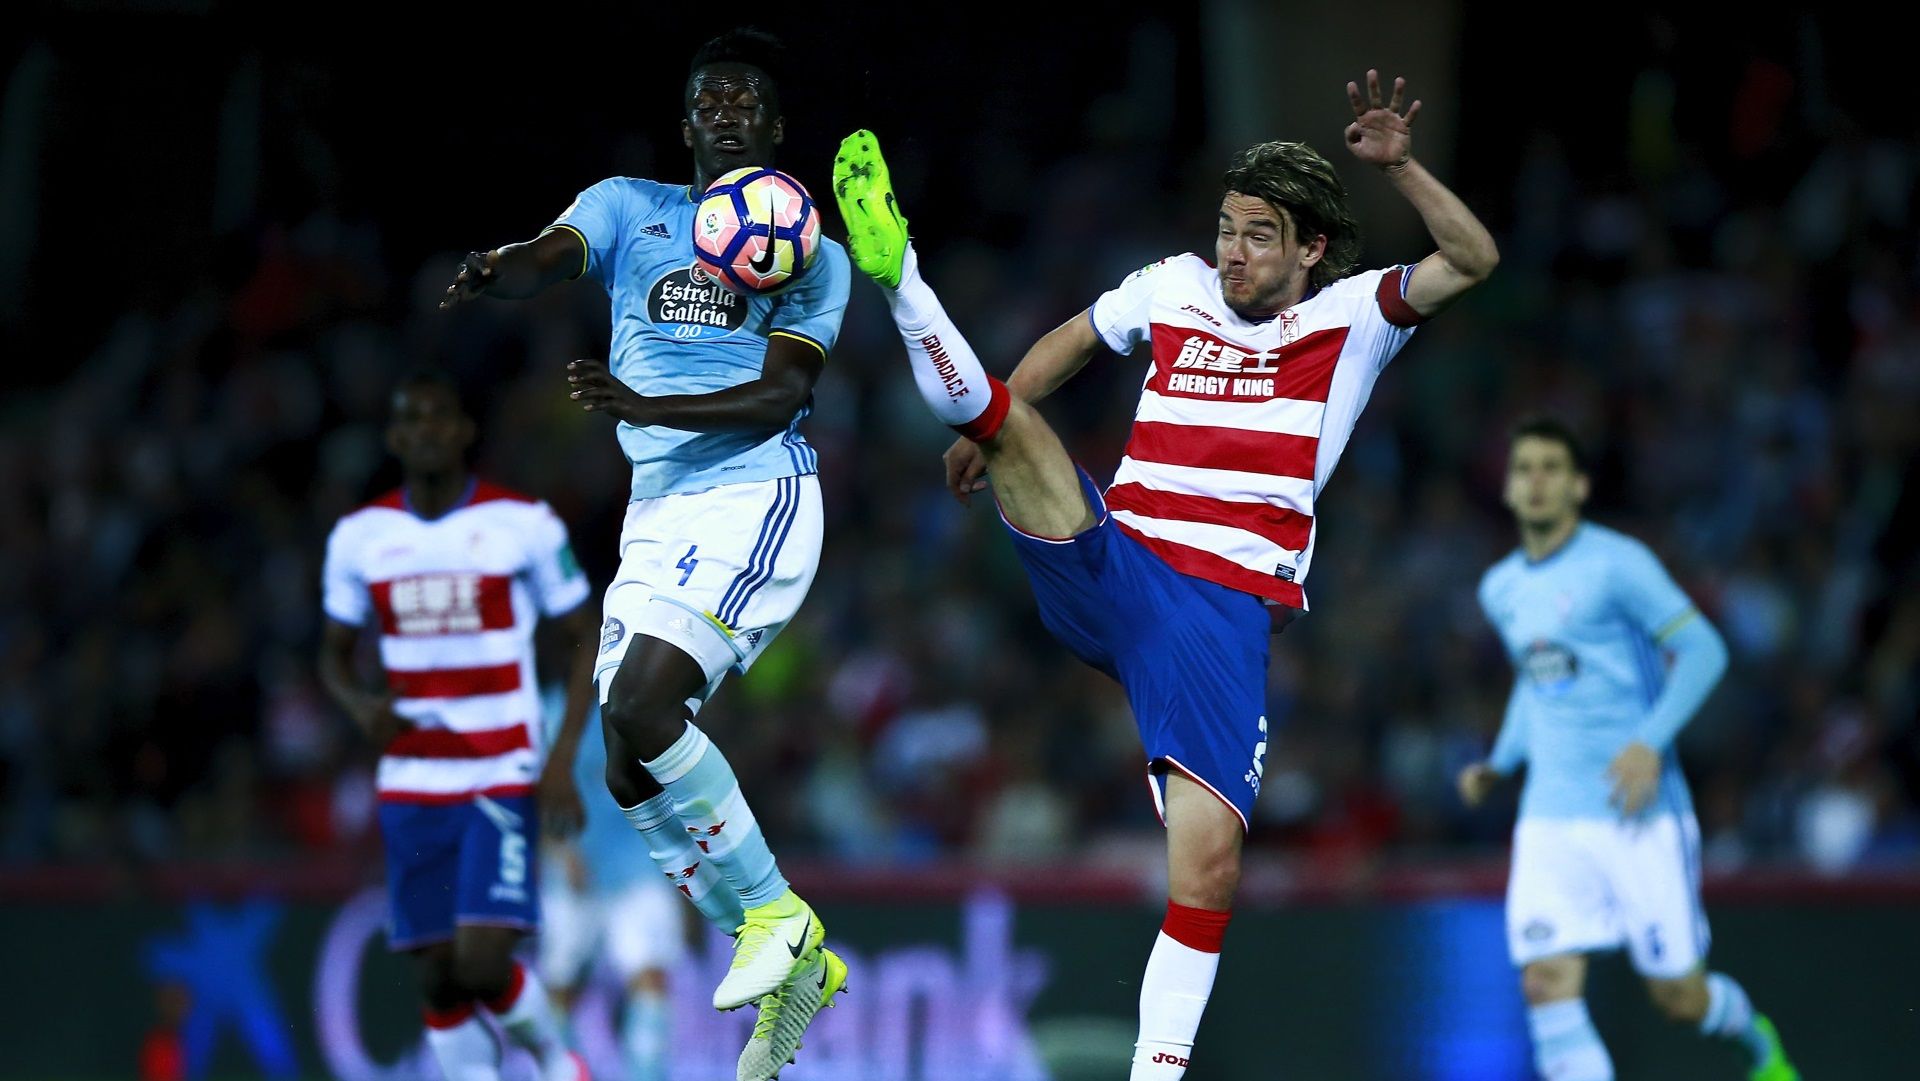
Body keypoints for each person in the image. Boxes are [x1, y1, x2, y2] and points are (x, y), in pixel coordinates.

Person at [833, 71, 1499, 1079]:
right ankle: (902, 277)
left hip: (1216, 610)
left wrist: (1400, 166)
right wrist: (1002, 408)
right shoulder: (1171, 284)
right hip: (1119, 557)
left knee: (1209, 868)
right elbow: (1074, 339)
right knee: (1014, 424)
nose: (1234, 250)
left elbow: (1474, 257)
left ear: (1311, 248)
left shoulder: (1356, 319)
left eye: (1260, 234)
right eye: (1228, 228)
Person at [439, 27, 850, 1081]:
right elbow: (549, 257)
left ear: (773, 127)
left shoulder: (814, 253)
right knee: (626, 764)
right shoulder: (631, 206)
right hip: (657, 511)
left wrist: (646, 400)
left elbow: (782, 393)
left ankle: (776, 920)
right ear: (684, 126)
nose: (723, 108)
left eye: (745, 98)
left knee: (639, 708)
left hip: (754, 493)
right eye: (707, 97)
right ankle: (779, 939)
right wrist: (501, 269)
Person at [1458, 418, 1798, 1081]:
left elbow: (1704, 649)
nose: (1535, 480)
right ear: (1507, 487)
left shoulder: (1619, 564)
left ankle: (1757, 1040)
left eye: (1552, 467)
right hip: (1551, 813)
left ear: (1579, 485)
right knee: (1546, 984)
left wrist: (1648, 743)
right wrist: (1499, 761)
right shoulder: (1499, 588)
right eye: (1524, 467)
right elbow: (1538, 683)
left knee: (1680, 998)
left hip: (1638, 808)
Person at [319, 370, 593, 1081]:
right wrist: (359, 705)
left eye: (439, 418)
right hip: (411, 776)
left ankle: (555, 1058)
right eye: (411, 421)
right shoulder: (360, 538)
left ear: (464, 432)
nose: (426, 432)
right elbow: (331, 653)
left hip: (499, 770)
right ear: (394, 438)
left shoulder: (522, 523)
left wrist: (559, 760)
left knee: (481, 959)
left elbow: (584, 635)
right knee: (440, 976)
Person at [538, 701, 689, 1081]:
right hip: (573, 869)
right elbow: (530, 791)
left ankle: (647, 1076)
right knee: (560, 987)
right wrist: (558, 849)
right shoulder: (549, 709)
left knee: (649, 976)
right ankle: (565, 1073)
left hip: (637, 862)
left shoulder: (645, 695)